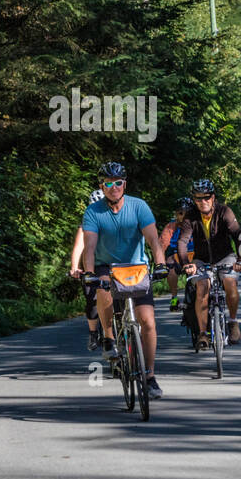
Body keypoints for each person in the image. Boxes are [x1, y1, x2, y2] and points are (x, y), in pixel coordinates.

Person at [82, 161, 168, 399]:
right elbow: (89, 247)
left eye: (117, 182)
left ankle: (149, 376)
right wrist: (89, 273)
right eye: (108, 183)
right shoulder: (93, 212)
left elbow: (153, 240)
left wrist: (160, 265)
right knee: (102, 290)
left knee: (148, 322)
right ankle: (108, 336)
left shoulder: (139, 206)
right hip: (106, 266)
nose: (113, 187)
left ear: (124, 184)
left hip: (136, 268)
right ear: (102, 185)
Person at [179, 178, 241, 347]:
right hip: (201, 260)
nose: (203, 202)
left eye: (206, 197)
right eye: (198, 198)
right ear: (194, 200)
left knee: (230, 282)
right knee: (202, 287)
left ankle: (233, 322)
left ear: (213, 197)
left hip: (225, 256)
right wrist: (186, 263)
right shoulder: (191, 217)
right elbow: (182, 242)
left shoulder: (224, 212)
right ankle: (203, 333)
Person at [69, 189, 106, 351]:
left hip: (114, 264)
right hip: (93, 266)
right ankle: (93, 333)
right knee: (92, 299)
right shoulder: (86, 224)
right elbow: (79, 247)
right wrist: (74, 267)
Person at [157, 196, 195, 312]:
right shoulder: (171, 226)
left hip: (194, 257)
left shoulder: (197, 224)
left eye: (186, 213)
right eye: (180, 213)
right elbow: (162, 244)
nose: (183, 216)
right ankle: (174, 297)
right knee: (170, 267)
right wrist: (160, 263)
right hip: (177, 257)